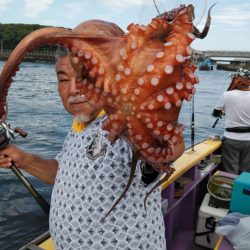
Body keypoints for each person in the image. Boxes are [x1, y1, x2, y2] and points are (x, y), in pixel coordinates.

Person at [0, 20, 185, 250]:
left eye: (84, 77)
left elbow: (168, 148)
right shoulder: (78, 127)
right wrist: (23, 159)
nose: (74, 89)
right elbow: (65, 176)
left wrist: (157, 139)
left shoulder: (122, 126)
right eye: (64, 80)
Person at [212, 68, 250, 174]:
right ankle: (242, 190)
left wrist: (224, 111)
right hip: (249, 139)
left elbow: (215, 113)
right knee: (246, 172)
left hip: (231, 139)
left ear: (238, 80)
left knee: (230, 172)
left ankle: (230, 189)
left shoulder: (227, 95)